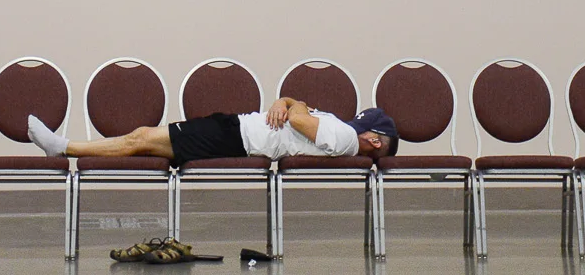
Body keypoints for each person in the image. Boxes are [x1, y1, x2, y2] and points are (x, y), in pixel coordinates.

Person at [27, 98, 399, 165]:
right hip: (235, 130)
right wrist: (285, 102)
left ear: (374, 140)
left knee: (142, 137)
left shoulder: (348, 140)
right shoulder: (343, 132)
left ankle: (64, 148)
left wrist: (291, 106)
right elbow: (290, 102)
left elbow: (298, 117)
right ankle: (65, 148)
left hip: (236, 137)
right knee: (144, 143)